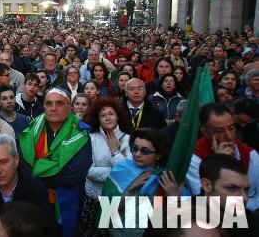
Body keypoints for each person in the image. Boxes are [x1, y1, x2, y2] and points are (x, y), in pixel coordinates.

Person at [18, 88, 92, 237]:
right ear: (43, 106)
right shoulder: (31, 131)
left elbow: (74, 175)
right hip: (34, 200)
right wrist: (52, 169)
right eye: (49, 103)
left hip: (68, 202)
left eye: (59, 103)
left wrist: (37, 170)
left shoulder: (81, 134)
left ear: (70, 107)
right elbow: (23, 167)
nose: (53, 108)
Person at [102, 128, 179, 237]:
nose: (137, 154)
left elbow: (176, 222)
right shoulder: (121, 169)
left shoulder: (166, 178)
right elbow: (106, 212)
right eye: (134, 148)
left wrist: (174, 197)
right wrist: (129, 188)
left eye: (145, 151)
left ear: (158, 155)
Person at [185, 103, 259, 211]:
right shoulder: (194, 158)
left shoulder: (250, 155)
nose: (229, 136)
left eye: (231, 128)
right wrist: (219, 162)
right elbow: (206, 200)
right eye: (219, 131)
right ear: (205, 131)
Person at [81, 98, 132, 237]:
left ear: (117, 116)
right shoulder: (91, 138)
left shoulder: (128, 139)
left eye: (111, 114)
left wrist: (115, 152)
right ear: (98, 119)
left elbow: (129, 173)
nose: (108, 118)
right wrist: (117, 172)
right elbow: (89, 171)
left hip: (118, 200)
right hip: (94, 200)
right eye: (103, 115)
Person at [199, 154, 258, 237]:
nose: (244, 198)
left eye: (246, 189)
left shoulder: (247, 218)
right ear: (207, 185)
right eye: (231, 188)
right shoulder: (184, 217)